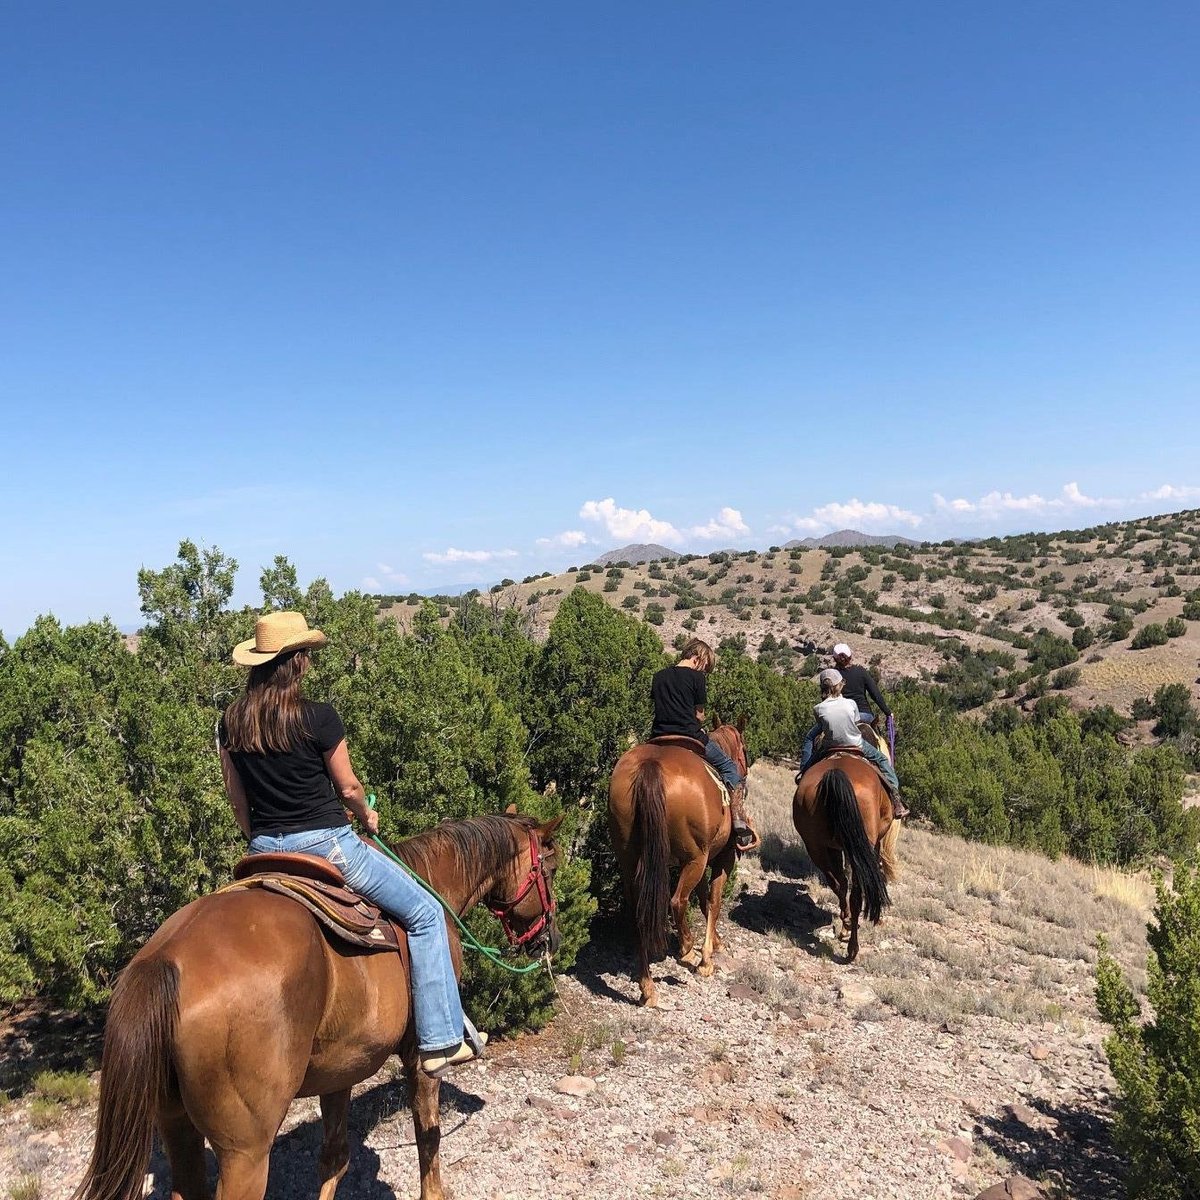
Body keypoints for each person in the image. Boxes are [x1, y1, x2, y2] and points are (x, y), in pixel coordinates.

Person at [218, 611, 485, 1078]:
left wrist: (264, 837)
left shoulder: (231, 724)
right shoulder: (319, 717)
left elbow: (238, 803)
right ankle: (441, 1039)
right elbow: (347, 788)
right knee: (425, 913)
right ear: (296, 662)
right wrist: (366, 814)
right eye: (305, 656)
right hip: (328, 847)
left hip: (262, 851)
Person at [650, 638, 755, 850]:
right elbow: (699, 716)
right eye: (706, 667)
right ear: (698, 658)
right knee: (729, 768)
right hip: (690, 737)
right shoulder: (696, 677)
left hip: (658, 737)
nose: (704, 672)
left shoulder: (658, 676)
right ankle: (737, 820)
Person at [800, 668, 908, 819]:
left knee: (810, 743)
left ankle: (803, 773)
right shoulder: (851, 704)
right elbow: (856, 723)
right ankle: (896, 798)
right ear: (840, 685)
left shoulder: (817, 708)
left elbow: (823, 726)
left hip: (830, 745)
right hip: (855, 744)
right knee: (882, 760)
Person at [831, 642, 892, 726]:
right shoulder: (861, 671)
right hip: (864, 715)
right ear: (850, 656)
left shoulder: (832, 675)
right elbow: (875, 694)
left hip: (841, 717)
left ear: (834, 658)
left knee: (811, 737)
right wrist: (888, 713)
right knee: (879, 739)